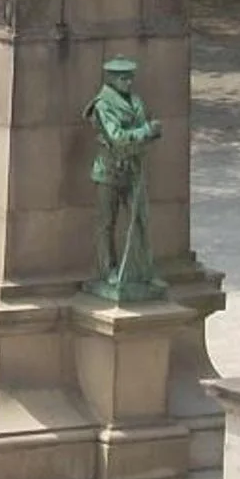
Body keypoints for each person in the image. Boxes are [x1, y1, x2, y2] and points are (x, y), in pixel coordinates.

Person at [85, 56, 163, 300]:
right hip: (108, 170)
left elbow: (142, 130)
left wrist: (149, 133)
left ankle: (143, 270)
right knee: (107, 223)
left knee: (140, 218)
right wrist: (146, 131)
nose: (128, 82)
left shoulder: (136, 101)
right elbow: (116, 136)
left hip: (133, 168)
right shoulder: (102, 105)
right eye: (122, 78)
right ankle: (108, 270)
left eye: (130, 77)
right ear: (111, 79)